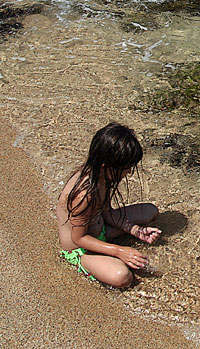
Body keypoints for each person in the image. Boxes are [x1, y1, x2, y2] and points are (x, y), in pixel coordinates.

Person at [57, 122, 162, 288]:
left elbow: (107, 213)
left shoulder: (101, 176)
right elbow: (79, 239)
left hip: (100, 230)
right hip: (80, 249)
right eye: (126, 168)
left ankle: (109, 242)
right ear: (106, 166)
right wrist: (120, 251)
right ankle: (87, 261)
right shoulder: (84, 195)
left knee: (150, 211)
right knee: (122, 277)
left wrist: (136, 231)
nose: (129, 173)